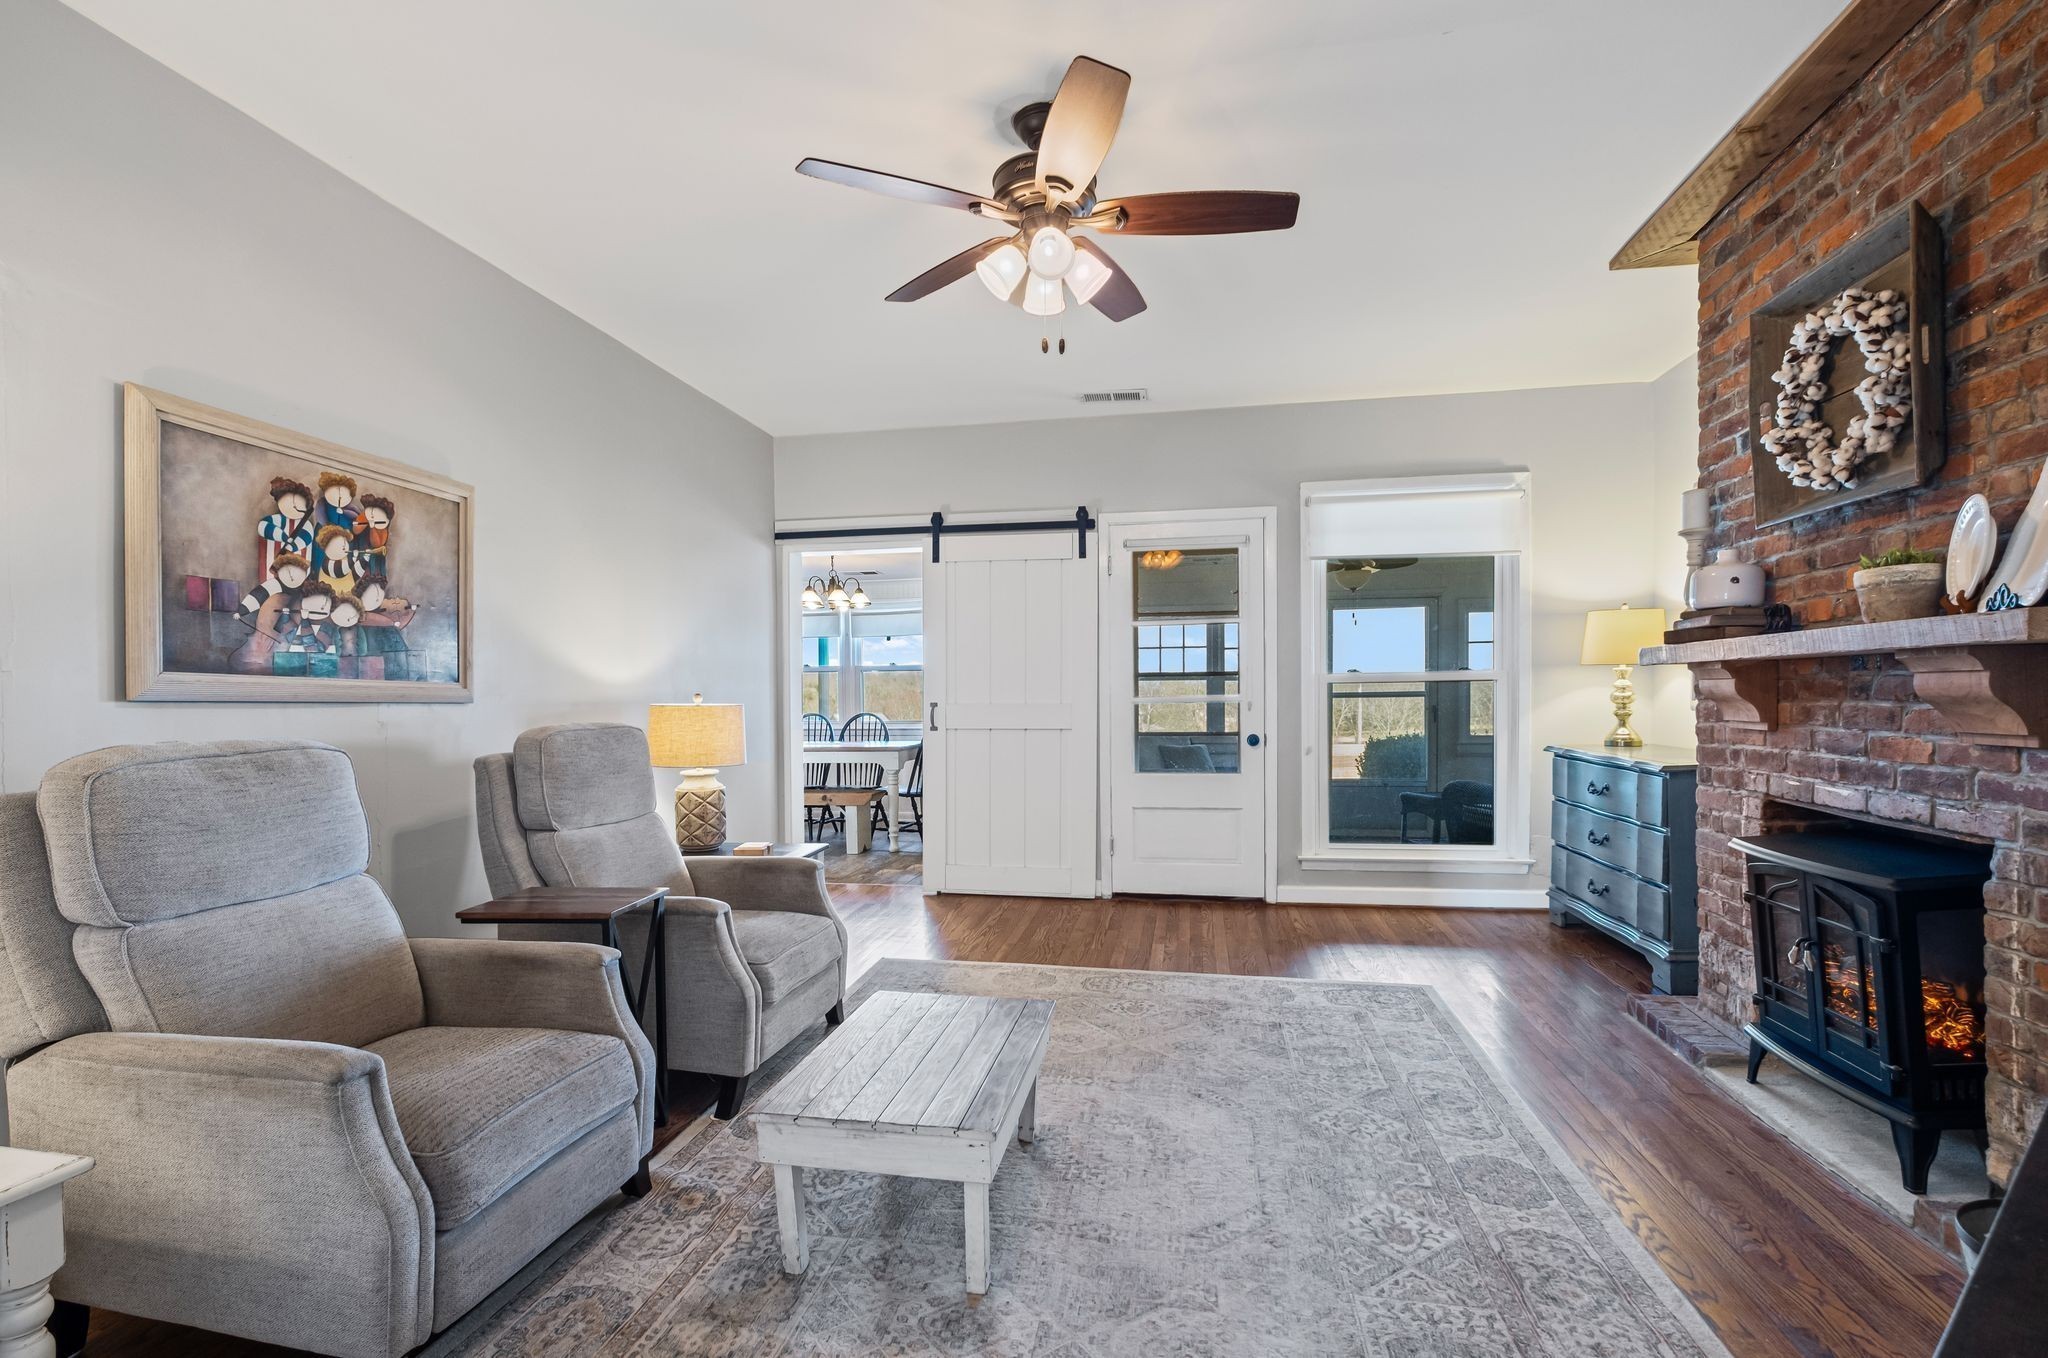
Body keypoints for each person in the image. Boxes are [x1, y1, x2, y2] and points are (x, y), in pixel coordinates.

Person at [274, 582, 339, 677]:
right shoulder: (297, 623)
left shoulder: (327, 628)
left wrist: (305, 620)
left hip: (320, 672)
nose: (320, 608)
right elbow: (282, 639)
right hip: (290, 668)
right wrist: (285, 616)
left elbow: (315, 650)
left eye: (323, 607)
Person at [257, 477, 315, 579]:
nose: (294, 507)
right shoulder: (279, 519)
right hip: (270, 572)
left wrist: (290, 547)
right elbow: (263, 527)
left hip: (298, 573)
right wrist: (284, 537)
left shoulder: (305, 524)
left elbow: (306, 536)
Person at [235, 551, 310, 620]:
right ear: (278, 571)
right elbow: (257, 596)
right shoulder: (274, 584)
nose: (292, 576)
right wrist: (241, 611)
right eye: (289, 571)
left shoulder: (305, 587)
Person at [352, 494, 394, 577]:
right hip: (361, 551)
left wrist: (372, 527)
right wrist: (366, 522)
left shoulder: (383, 524)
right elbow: (355, 530)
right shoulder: (365, 514)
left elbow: (377, 544)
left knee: (374, 574)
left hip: (375, 556)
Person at [313, 525, 359, 597]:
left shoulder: (344, 558)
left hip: (349, 594)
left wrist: (365, 559)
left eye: (345, 542)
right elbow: (340, 571)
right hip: (332, 595)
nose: (344, 546)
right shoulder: (327, 564)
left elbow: (355, 573)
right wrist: (354, 558)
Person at [315, 471, 360, 536]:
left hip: (346, 531)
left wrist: (344, 512)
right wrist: (326, 525)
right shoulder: (323, 503)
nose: (339, 497)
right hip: (327, 530)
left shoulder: (349, 507)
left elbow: (356, 515)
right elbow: (320, 515)